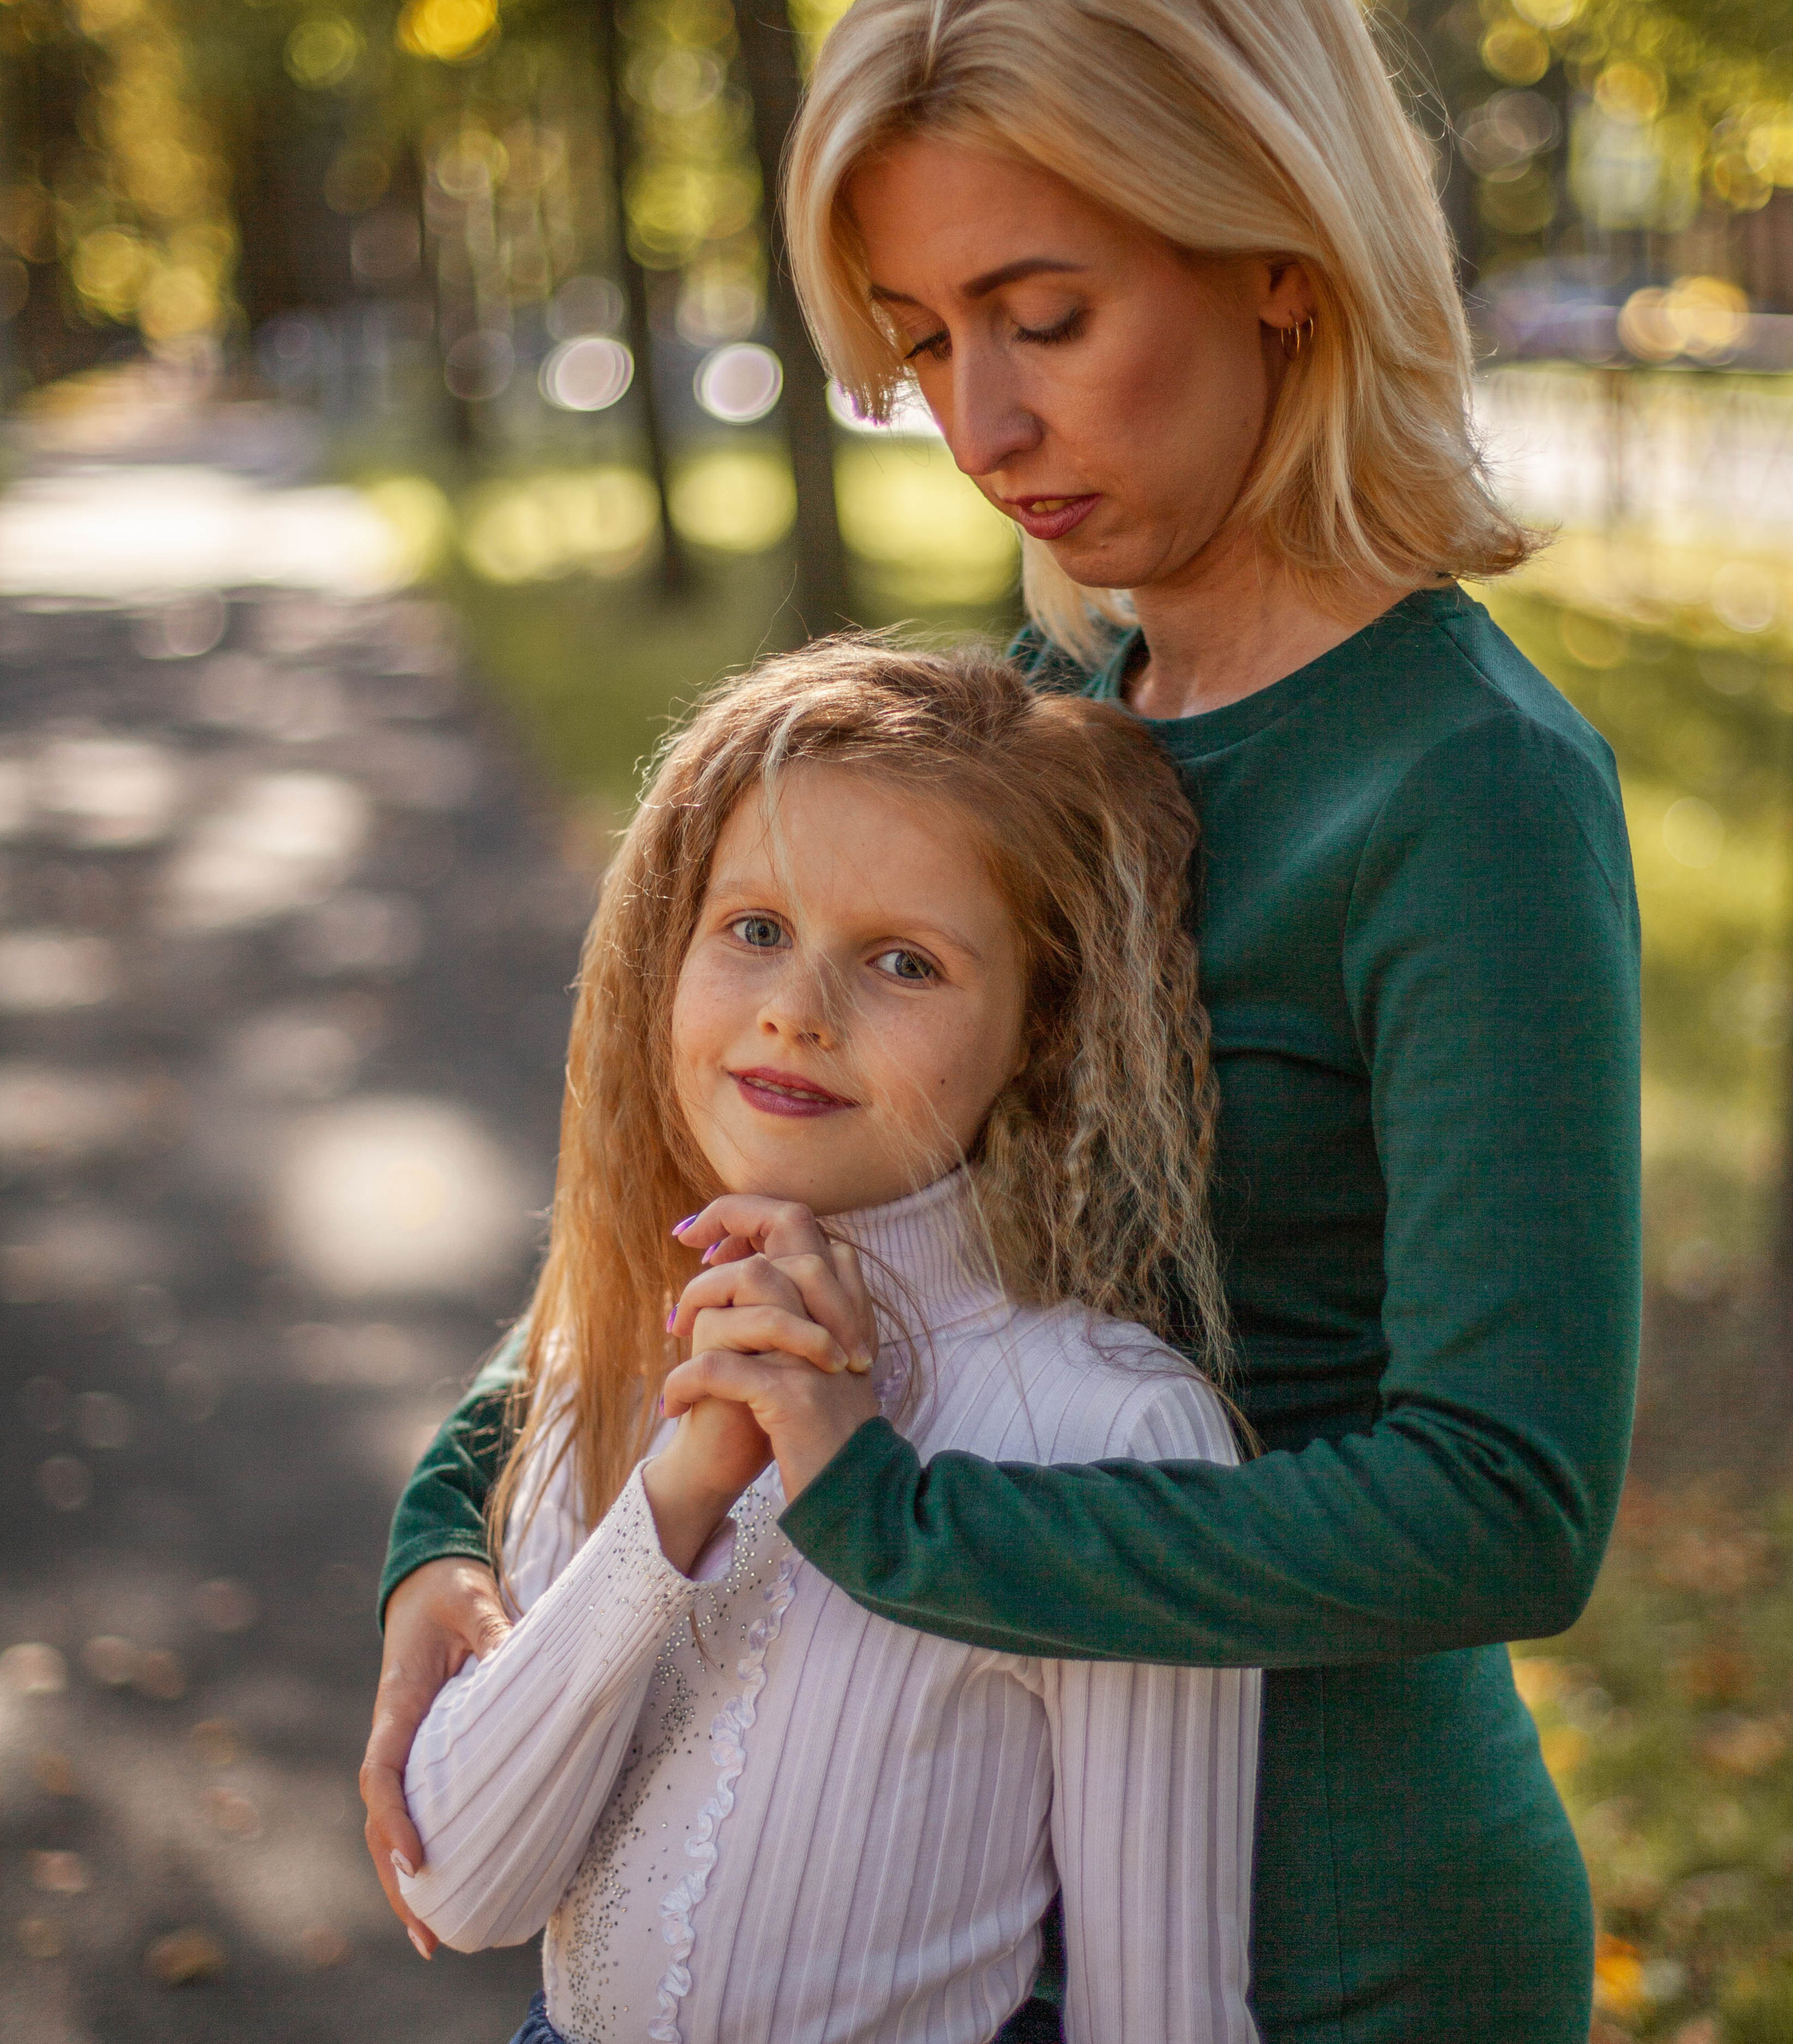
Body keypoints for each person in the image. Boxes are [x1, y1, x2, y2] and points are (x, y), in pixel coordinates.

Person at [364, 2, 1642, 2038]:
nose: (978, 426)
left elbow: (1505, 1501)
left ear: (1278, 267)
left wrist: (890, 1515)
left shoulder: (1462, 786)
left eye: (1040, 316)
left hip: (1320, 1930)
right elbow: (754, 1199)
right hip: (937, 1906)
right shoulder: (1039, 733)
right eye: (921, 336)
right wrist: (454, 1533)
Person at [390, 639, 1258, 2043]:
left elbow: (1163, 2004)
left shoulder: (1110, 1429)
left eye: (904, 962)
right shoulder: (610, 1346)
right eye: (753, 929)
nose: (799, 1008)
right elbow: (468, 1886)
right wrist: (681, 1487)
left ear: (1039, 1034)